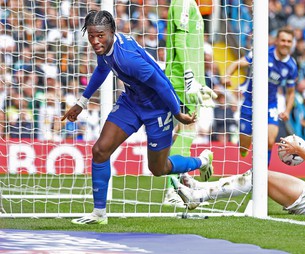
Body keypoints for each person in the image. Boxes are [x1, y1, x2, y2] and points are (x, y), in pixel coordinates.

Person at [62, 10, 214, 224]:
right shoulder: (105, 47)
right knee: (100, 150)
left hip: (157, 108)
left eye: (100, 35)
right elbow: (102, 69)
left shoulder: (128, 59)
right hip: (132, 102)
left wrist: (178, 113)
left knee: (158, 169)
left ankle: (203, 160)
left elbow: (161, 84)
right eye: (92, 36)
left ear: (112, 32)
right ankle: (99, 214)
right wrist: (81, 103)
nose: (95, 41)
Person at [173, 120, 305, 216]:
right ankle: (200, 188)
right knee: (258, 177)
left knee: (259, 175)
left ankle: (198, 196)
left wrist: (298, 149)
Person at [162, 0, 218, 206]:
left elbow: (191, 46)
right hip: (181, 81)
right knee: (186, 131)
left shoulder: (191, 5)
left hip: (189, 80)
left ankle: (181, 181)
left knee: (184, 132)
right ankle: (172, 190)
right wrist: (188, 77)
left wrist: (200, 82)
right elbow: (179, 39)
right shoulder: (183, 2)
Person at [222, 28, 296, 163]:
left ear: (292, 43)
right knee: (244, 146)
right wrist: (227, 76)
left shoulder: (291, 66)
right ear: (277, 41)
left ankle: (264, 175)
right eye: (283, 40)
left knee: (270, 140)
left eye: (289, 41)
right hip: (251, 101)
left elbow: (291, 92)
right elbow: (237, 63)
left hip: (271, 103)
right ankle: (244, 149)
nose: (285, 44)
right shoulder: (263, 53)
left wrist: (287, 110)